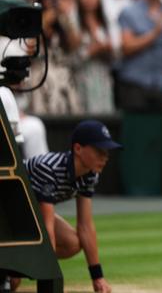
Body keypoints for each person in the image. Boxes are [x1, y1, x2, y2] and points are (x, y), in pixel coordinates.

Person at [18, 120, 122, 293]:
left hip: (31, 212)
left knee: (72, 243)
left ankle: (19, 264)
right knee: (12, 283)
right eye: (99, 150)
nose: (105, 157)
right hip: (9, 210)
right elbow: (47, 228)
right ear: (78, 149)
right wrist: (50, 278)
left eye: (107, 151)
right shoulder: (48, 168)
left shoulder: (90, 175)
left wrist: (97, 278)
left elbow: (86, 226)